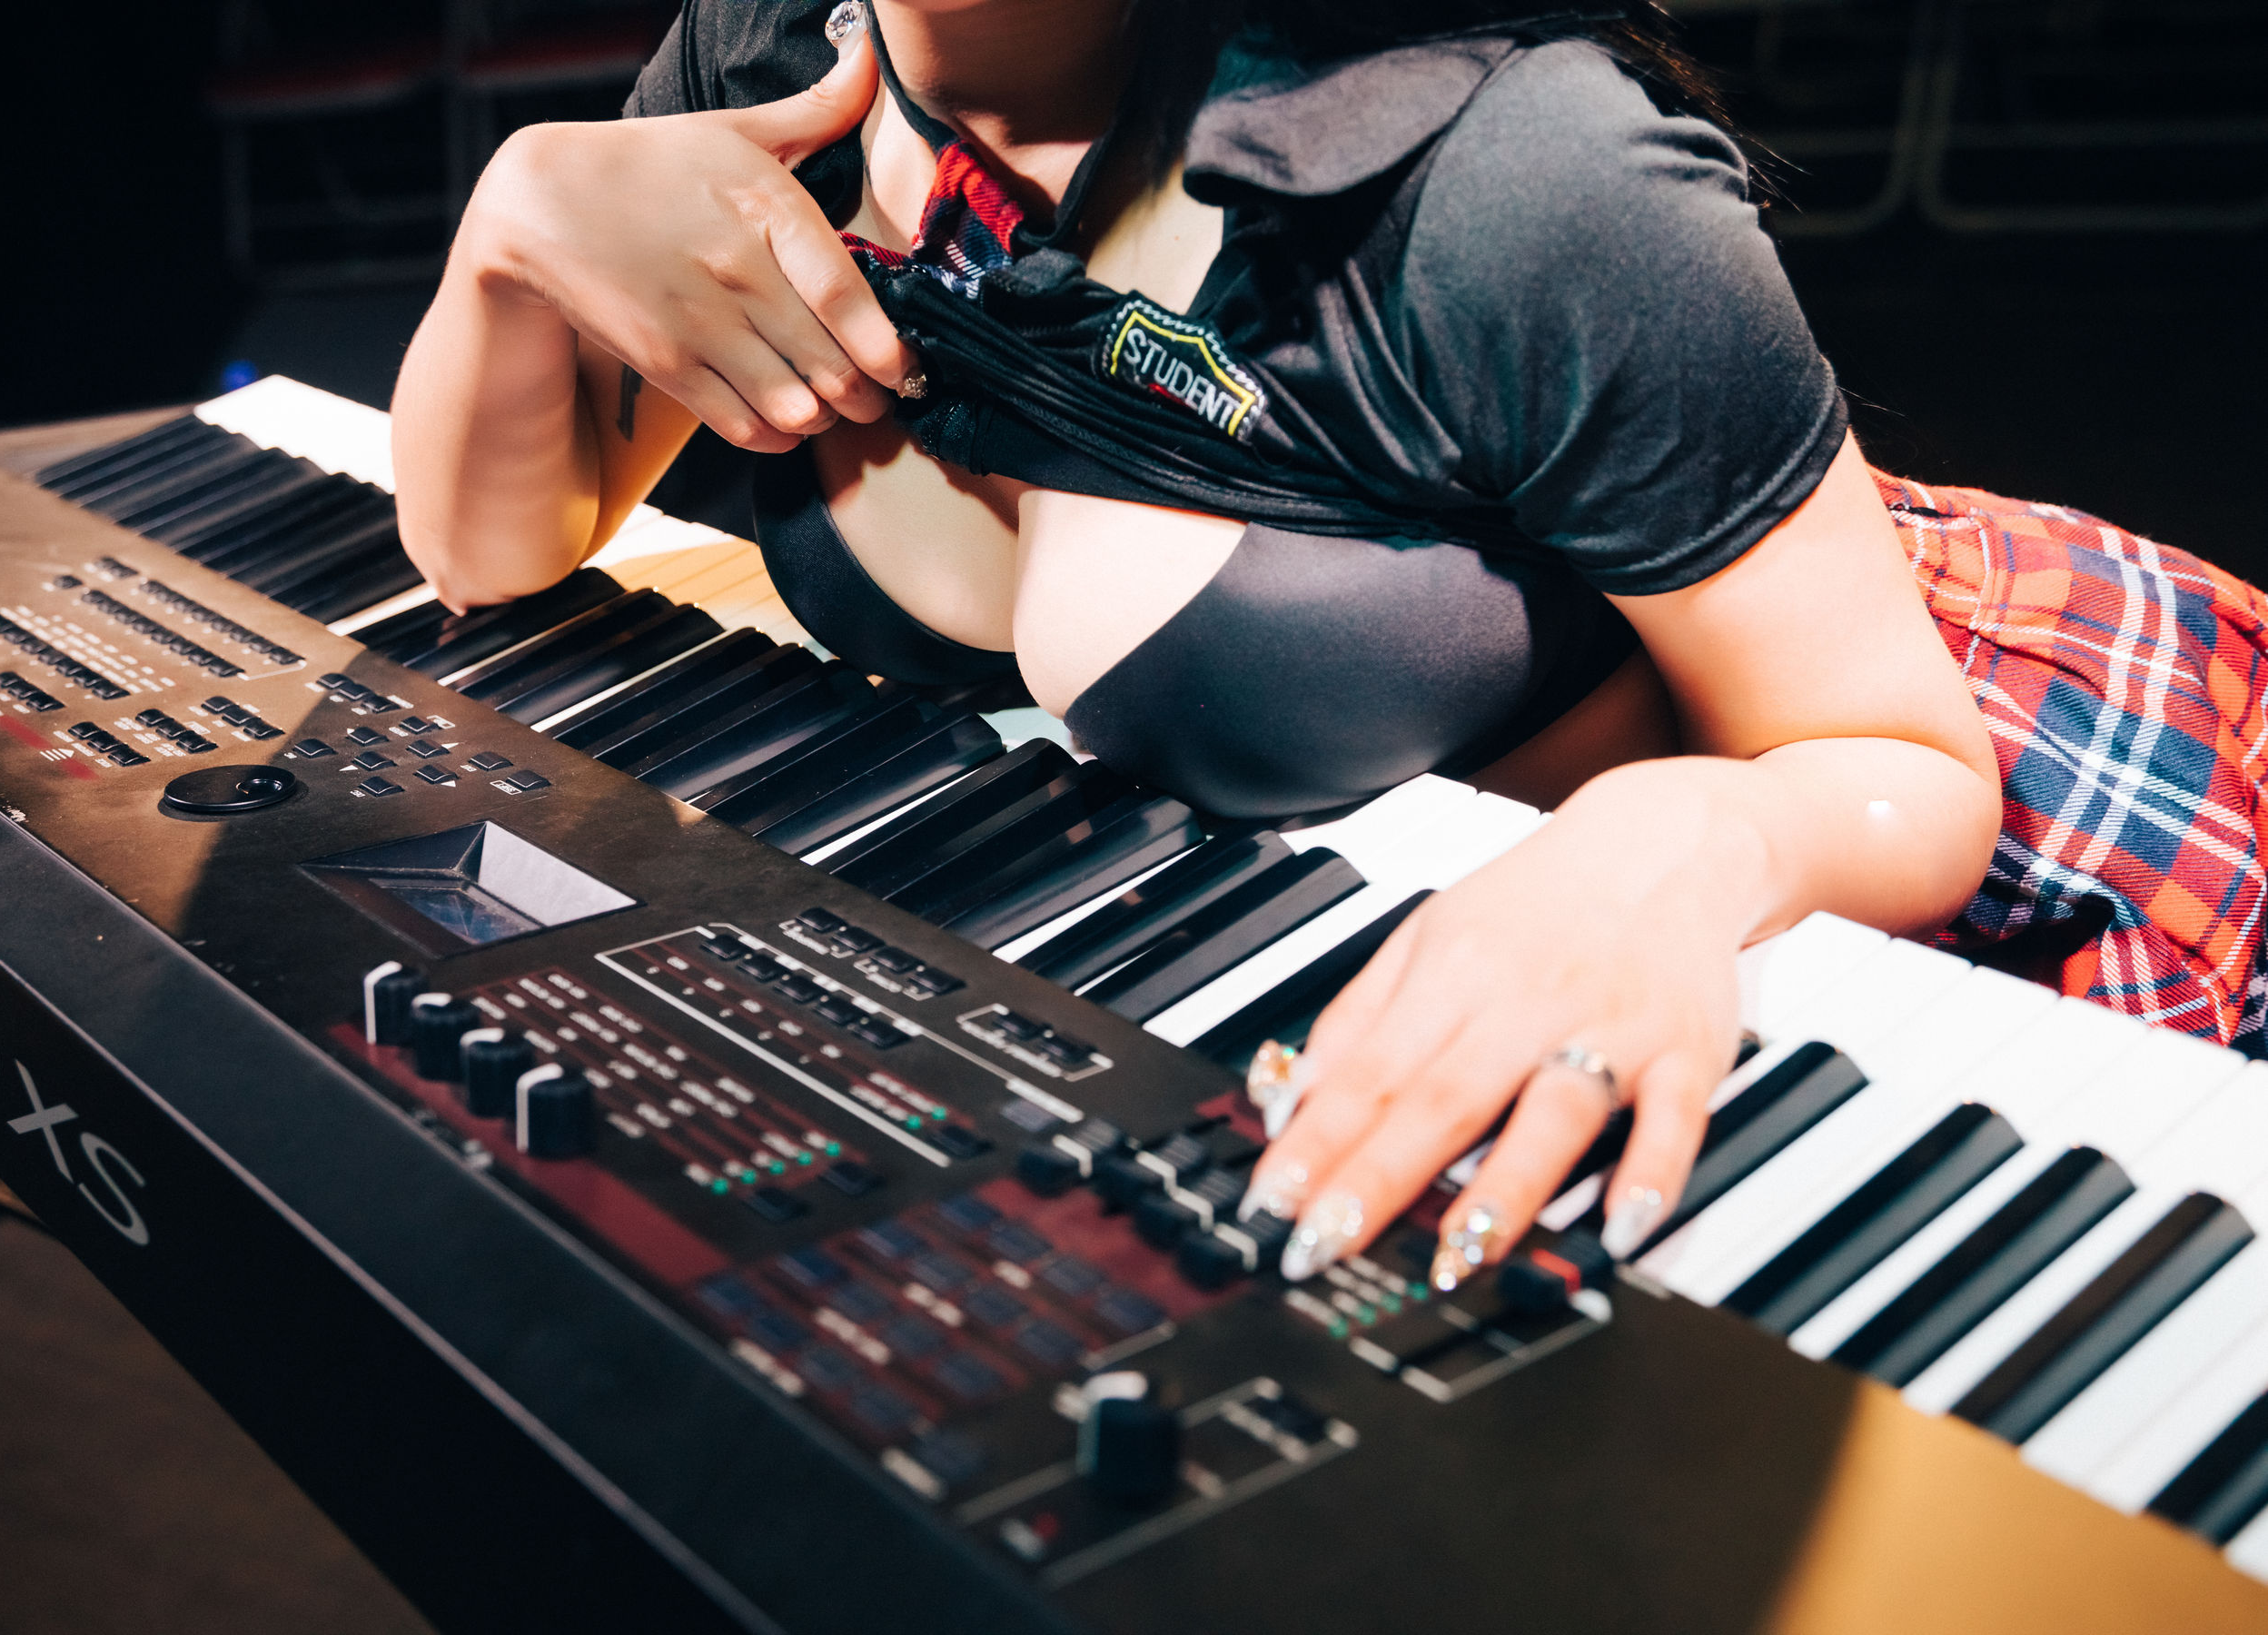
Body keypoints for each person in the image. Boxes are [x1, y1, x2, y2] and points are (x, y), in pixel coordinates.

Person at [390, 0, 2268, 1295]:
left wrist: (1682, 842)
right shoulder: (774, 55)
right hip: (1313, 927)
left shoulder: (1524, 165)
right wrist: (518, 222)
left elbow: (1910, 767)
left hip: (1929, 838)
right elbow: (497, 545)